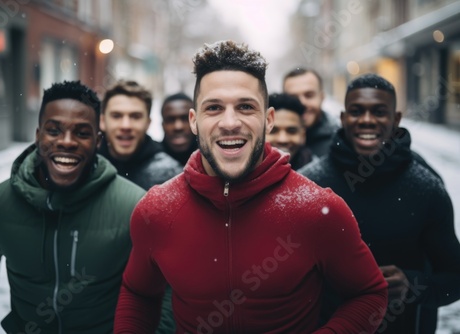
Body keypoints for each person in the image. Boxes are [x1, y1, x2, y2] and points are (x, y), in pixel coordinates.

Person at [114, 40, 388, 333]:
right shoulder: (157, 210)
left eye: (245, 106)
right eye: (214, 108)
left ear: (268, 120)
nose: (230, 122)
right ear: (194, 121)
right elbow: (139, 294)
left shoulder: (318, 209)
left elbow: (369, 294)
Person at [0, 81, 147, 333]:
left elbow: (162, 283)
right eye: (54, 130)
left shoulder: (135, 206)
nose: (67, 142)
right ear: (38, 134)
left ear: (97, 141)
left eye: (82, 133)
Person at [299, 73, 460, 333]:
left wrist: (412, 284)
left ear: (396, 119)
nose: (366, 120)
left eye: (379, 112)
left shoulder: (426, 187)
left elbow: (454, 277)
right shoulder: (310, 183)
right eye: (356, 111)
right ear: (343, 118)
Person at [99, 80, 182, 190]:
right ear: (103, 121)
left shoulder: (171, 176)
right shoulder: (85, 168)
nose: (126, 125)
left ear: (148, 123)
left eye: (135, 116)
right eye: (116, 116)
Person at [283, 67, 339, 157]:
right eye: (293, 97)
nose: (302, 103)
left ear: (322, 97)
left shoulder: (342, 138)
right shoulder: (269, 140)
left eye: (309, 95)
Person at [266, 93, 317, 170]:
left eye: (291, 131)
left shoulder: (319, 176)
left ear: (303, 135)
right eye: (273, 131)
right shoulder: (243, 174)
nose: (282, 139)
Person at [161, 92, 198, 165]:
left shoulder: (212, 157)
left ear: (195, 121)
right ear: (162, 125)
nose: (178, 127)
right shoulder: (150, 159)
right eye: (170, 120)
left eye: (185, 119)